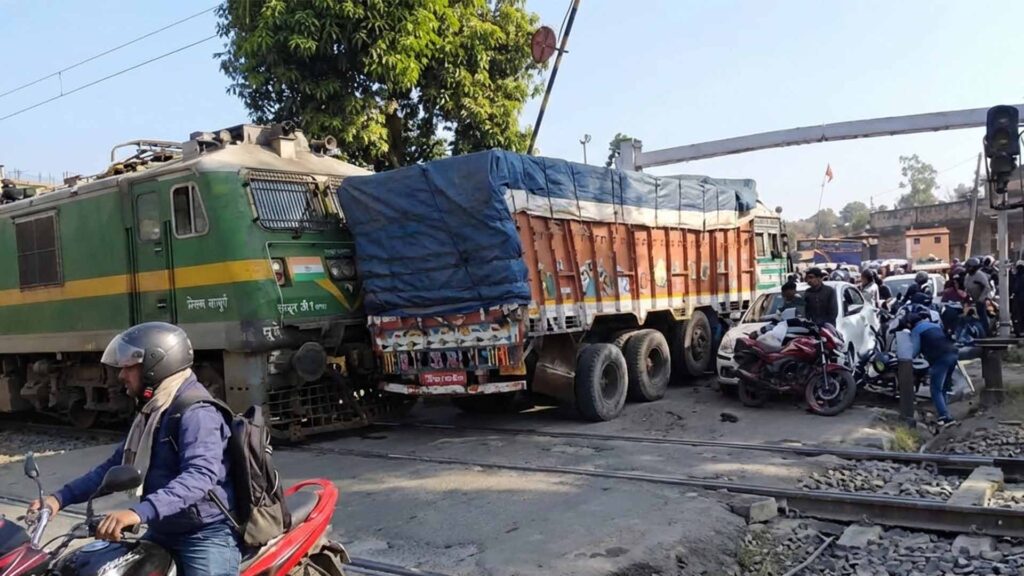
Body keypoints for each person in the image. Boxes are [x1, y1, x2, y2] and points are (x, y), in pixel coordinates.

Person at [28, 323, 240, 576]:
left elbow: (199, 477)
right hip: (163, 528)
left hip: (203, 535)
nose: (121, 375)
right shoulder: (155, 409)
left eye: (129, 367)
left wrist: (137, 513)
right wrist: (59, 499)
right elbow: (115, 467)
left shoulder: (197, 413)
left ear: (155, 366)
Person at [908, 313, 959, 428]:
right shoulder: (934, 325)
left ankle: (945, 417)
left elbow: (914, 351)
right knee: (945, 386)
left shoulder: (917, 330)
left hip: (940, 358)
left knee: (935, 389)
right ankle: (945, 413)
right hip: (953, 353)